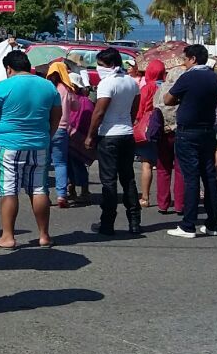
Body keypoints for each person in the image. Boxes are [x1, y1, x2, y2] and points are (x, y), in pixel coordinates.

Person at [0, 50, 60, 249]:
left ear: (9, 68)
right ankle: (44, 235)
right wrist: (48, 135)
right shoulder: (48, 86)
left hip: (8, 144)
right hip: (39, 143)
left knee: (9, 190)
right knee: (39, 189)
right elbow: (56, 115)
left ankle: (8, 237)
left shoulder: (4, 85)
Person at [162, 45, 217, 238]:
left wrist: (181, 99)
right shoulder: (213, 77)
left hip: (188, 131)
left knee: (191, 178)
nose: (184, 63)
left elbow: (168, 99)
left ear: (193, 59)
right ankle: (212, 223)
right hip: (208, 130)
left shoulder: (188, 77)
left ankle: (188, 225)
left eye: (185, 59)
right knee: (209, 176)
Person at [86, 47, 142, 235]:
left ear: (110, 64)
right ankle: (134, 221)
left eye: (100, 64)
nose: (98, 68)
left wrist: (90, 135)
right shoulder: (131, 82)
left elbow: (99, 112)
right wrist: (127, 123)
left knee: (109, 181)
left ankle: (107, 223)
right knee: (128, 178)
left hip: (109, 135)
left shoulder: (106, 83)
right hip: (127, 134)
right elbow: (134, 109)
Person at [141, 59, 183, 214]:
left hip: (163, 132)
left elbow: (154, 107)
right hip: (180, 132)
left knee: (163, 168)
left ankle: (163, 204)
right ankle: (180, 204)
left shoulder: (161, 89)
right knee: (180, 169)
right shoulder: (184, 91)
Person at [46, 62, 81, 209]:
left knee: (44, 164)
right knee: (60, 163)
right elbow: (76, 107)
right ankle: (62, 194)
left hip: (46, 129)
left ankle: (44, 194)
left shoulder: (46, 88)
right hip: (61, 130)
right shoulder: (66, 89)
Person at [134, 60, 166, 209]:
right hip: (166, 126)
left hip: (149, 126)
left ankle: (145, 198)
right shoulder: (167, 86)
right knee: (165, 165)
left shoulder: (148, 87)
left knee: (146, 164)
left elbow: (140, 109)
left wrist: (137, 122)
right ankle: (165, 197)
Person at [64, 74, 96, 206]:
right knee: (68, 165)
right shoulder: (68, 97)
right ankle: (71, 189)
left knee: (78, 165)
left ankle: (84, 191)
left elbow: (88, 121)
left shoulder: (86, 102)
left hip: (79, 138)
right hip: (67, 136)